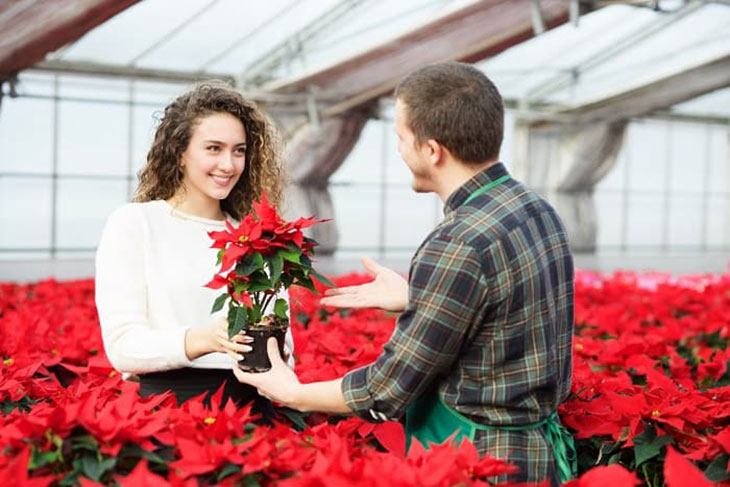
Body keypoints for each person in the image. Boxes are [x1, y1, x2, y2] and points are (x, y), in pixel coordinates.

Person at [231, 62, 576, 485]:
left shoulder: (458, 242)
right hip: (537, 457)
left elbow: (385, 390)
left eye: (401, 137)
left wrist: (292, 392)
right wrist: (418, 298)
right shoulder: (538, 210)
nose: (398, 149)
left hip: (477, 464)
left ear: (432, 151)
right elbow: (512, 317)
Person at [95, 81, 293, 414]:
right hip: (168, 409)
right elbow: (123, 346)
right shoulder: (136, 223)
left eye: (239, 150)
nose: (229, 165)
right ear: (180, 152)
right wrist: (206, 339)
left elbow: (285, 346)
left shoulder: (256, 237)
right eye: (213, 148)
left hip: (251, 408)